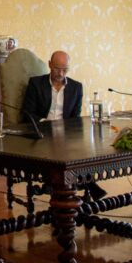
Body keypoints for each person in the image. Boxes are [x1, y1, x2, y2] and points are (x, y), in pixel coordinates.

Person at [20, 50, 106, 200]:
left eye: (65, 69)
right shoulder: (36, 83)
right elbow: (27, 113)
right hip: (43, 132)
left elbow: (75, 117)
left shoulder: (76, 87)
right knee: (62, 152)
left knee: (79, 151)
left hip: (65, 134)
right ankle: (87, 185)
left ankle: (72, 186)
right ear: (49, 65)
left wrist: (68, 132)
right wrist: (45, 124)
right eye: (57, 68)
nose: (60, 73)